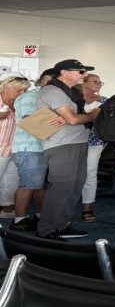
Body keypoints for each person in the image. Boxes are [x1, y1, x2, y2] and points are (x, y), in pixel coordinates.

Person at [36, 59, 101, 240]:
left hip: (78, 142)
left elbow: (73, 118)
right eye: (80, 72)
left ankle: (61, 225)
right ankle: (46, 230)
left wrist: (83, 116)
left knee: (74, 187)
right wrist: (92, 115)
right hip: (61, 144)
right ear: (64, 72)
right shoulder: (53, 90)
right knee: (61, 188)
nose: (85, 75)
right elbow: (72, 119)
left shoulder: (71, 92)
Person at [9, 69, 56, 232]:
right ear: (45, 80)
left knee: (40, 186)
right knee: (28, 185)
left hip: (42, 148)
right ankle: (19, 220)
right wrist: (64, 120)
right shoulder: (30, 97)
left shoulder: (46, 97)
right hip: (29, 148)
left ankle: (39, 216)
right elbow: (32, 123)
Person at [0, 76, 31, 220]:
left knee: (11, 180)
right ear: (6, 89)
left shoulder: (18, 105)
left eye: (25, 90)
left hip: (14, 149)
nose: (22, 93)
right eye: (19, 90)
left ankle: (7, 209)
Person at [79, 73, 108, 223]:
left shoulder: (104, 101)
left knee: (90, 173)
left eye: (100, 81)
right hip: (72, 141)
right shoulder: (73, 99)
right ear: (84, 83)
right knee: (69, 175)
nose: (98, 83)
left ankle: (87, 207)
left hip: (95, 141)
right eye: (95, 81)